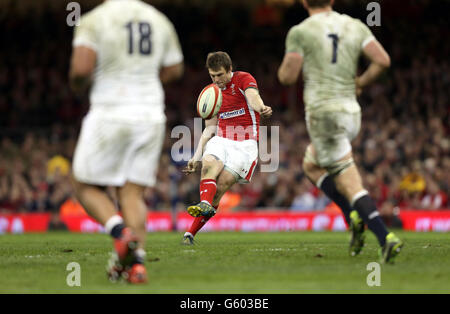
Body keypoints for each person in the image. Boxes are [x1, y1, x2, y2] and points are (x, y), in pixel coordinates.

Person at [277, 0, 403, 263]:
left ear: (303, 2)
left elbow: (288, 77)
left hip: (325, 114)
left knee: (349, 180)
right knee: (311, 164)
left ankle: (385, 236)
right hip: (351, 113)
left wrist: (285, 67)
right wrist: (361, 82)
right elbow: (382, 60)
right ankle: (351, 216)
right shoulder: (354, 25)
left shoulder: (301, 31)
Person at [69, 0, 184, 283]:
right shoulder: (158, 20)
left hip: (110, 110)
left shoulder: (94, 20)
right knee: (132, 193)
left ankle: (121, 233)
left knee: (83, 184)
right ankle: (136, 265)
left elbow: (82, 70)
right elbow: (175, 69)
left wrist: (77, 87)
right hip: (150, 113)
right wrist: (144, 80)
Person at [182, 51, 272, 244]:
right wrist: (196, 157)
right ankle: (201, 210)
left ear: (230, 70)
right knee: (208, 164)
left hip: (245, 144)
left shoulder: (243, 79)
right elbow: (209, 129)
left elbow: (253, 98)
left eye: (220, 75)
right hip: (222, 139)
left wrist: (262, 108)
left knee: (221, 185)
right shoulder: (212, 92)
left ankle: (191, 231)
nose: (216, 79)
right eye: (212, 75)